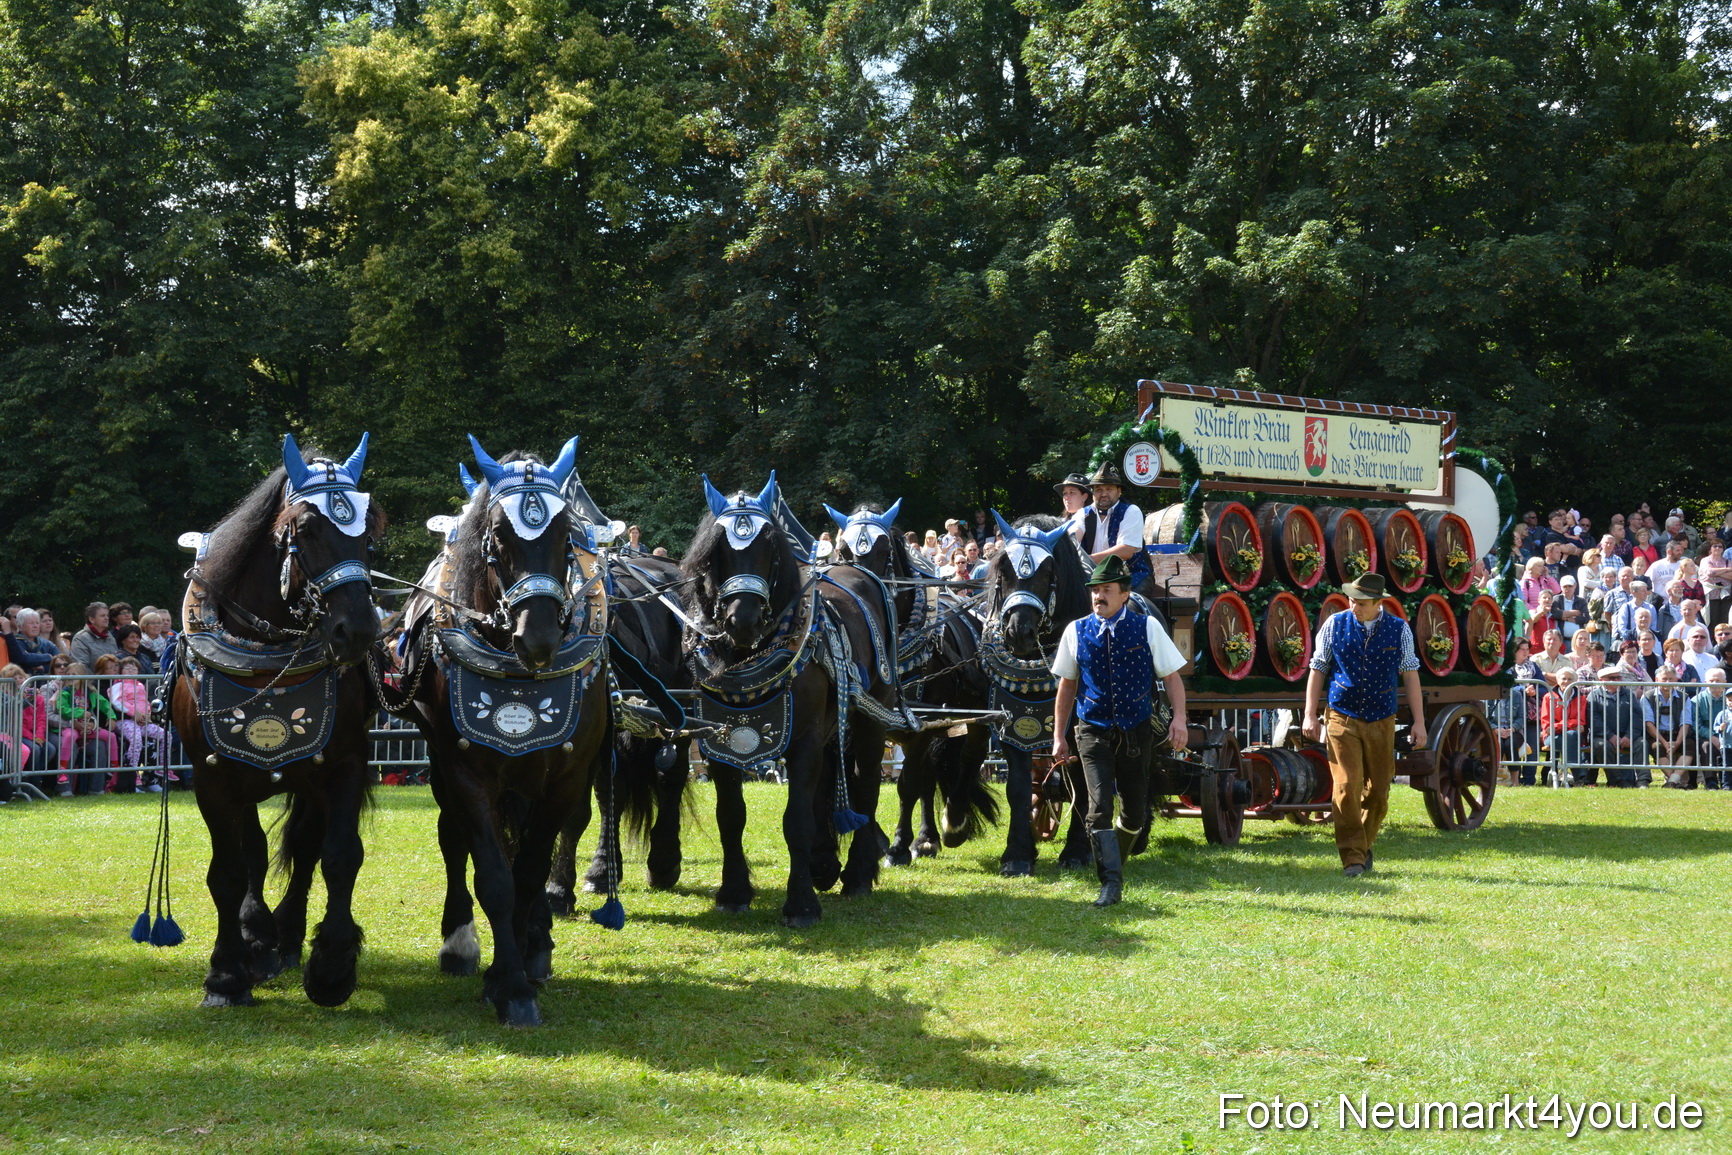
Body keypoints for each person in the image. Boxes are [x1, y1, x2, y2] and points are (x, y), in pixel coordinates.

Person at [1050, 555, 1188, 907]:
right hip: (1092, 730)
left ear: (1124, 594)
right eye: (1095, 590)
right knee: (1099, 808)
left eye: (1106, 590)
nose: (1099, 596)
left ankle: (1116, 862)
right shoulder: (1076, 631)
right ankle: (1111, 883)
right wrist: (1058, 736)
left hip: (1136, 729)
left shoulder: (1147, 627)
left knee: (1135, 813)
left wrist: (1179, 719)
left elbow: (1171, 677)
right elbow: (1066, 686)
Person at [1302, 572, 1426, 877]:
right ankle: (1353, 859)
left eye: (1360, 602)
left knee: (1379, 792)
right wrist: (1308, 713)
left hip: (1382, 720)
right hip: (1341, 717)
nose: (1353, 606)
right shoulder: (1334, 625)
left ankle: (1363, 844)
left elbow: (1410, 674)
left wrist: (1420, 722)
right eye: (1351, 599)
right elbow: (1318, 669)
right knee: (1346, 787)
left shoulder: (1399, 630)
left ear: (1377, 603)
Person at [1071, 464, 1153, 595]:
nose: (1103, 494)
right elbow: (1073, 538)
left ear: (1119, 491)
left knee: (1126, 605)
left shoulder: (1131, 511)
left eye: (1109, 489)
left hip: (1131, 575)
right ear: (1093, 493)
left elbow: (1126, 551)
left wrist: (1086, 560)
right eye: (1098, 489)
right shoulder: (1083, 513)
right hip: (1092, 577)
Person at [110, 655, 165, 791]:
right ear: (121, 671)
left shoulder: (140, 685)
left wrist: (147, 715)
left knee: (165, 736)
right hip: (125, 721)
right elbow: (117, 702)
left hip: (142, 722)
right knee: (136, 738)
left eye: (134, 668)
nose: (131, 671)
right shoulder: (118, 685)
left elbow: (145, 702)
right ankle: (133, 776)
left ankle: (159, 771)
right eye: (127, 668)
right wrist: (134, 713)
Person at [1684, 669, 1728, 789]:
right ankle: (1711, 781)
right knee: (1706, 746)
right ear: (1705, 682)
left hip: (1728, 735)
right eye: (1711, 680)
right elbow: (1695, 725)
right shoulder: (1696, 701)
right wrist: (1713, 736)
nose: (1714, 684)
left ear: (1725, 681)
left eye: (1718, 681)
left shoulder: (1730, 699)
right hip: (1704, 737)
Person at [8, 609, 59, 676]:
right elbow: (23, 659)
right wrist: (48, 657)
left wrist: (44, 667)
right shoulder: (15, 643)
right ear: (20, 627)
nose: (35, 626)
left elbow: (61, 662)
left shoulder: (48, 644)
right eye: (31, 623)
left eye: (37, 623)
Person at [69, 602, 119, 670]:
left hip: (112, 680)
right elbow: (81, 668)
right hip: (92, 680)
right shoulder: (80, 638)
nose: (106, 618)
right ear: (92, 619)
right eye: (102, 616)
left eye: (107, 615)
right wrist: (97, 681)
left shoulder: (110, 637)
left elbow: (117, 661)